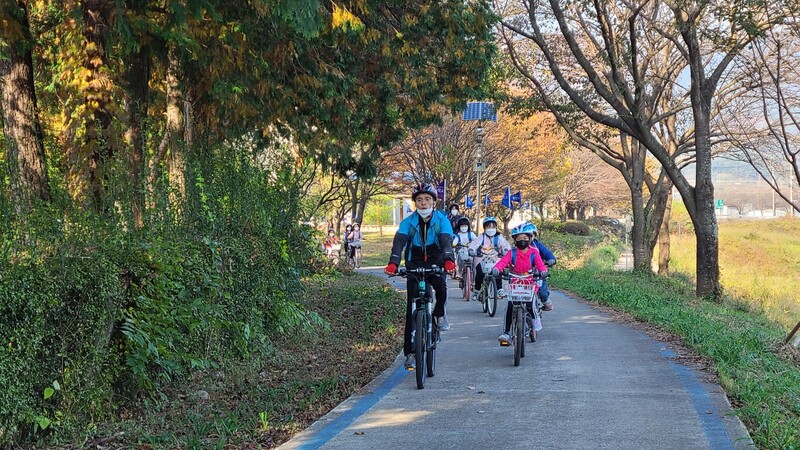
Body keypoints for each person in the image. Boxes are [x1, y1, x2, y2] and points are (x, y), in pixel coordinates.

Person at [384, 183, 456, 370]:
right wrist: (393, 262)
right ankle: (410, 353)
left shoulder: (441, 219)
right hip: (414, 261)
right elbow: (399, 242)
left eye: (427, 199)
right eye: (419, 200)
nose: (423, 203)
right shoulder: (409, 221)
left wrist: (448, 260)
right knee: (411, 308)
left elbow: (446, 241)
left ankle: (439, 314)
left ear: (434, 201)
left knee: (440, 288)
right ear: (415, 203)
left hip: (436, 258)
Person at [491, 223, 548, 344]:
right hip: (514, 283)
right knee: (510, 306)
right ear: (514, 240)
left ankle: (535, 319)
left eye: (525, 238)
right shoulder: (512, 253)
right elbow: (503, 262)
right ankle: (506, 333)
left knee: (531, 305)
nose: (522, 241)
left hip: (530, 283)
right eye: (519, 238)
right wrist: (497, 269)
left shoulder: (534, 252)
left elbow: (540, 265)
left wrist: (543, 271)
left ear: (530, 239)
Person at [468, 217, 511, 301]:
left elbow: (505, 245)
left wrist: (506, 251)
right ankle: (477, 290)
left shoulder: (499, 237)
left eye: (493, 227)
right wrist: (471, 250)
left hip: (495, 258)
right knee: (480, 273)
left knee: (497, 271)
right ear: (484, 228)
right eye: (488, 227)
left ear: (496, 228)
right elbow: (475, 243)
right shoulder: (481, 237)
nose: (491, 229)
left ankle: (499, 289)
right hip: (482, 258)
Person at [526, 222, 556, 311]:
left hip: (537, 274)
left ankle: (546, 301)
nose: (530, 237)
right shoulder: (518, 248)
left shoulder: (537, 245)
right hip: (522, 275)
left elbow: (547, 253)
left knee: (542, 292)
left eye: (532, 235)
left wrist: (551, 259)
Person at [452, 216, 478, 286]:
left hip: (470, 251)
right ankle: (459, 273)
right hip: (461, 250)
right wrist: (454, 244)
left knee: (474, 264)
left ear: (468, 226)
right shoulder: (458, 235)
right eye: (462, 226)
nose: (464, 227)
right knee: (458, 258)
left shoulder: (471, 234)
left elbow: (477, 240)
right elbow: (455, 242)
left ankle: (473, 279)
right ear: (459, 227)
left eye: (465, 226)